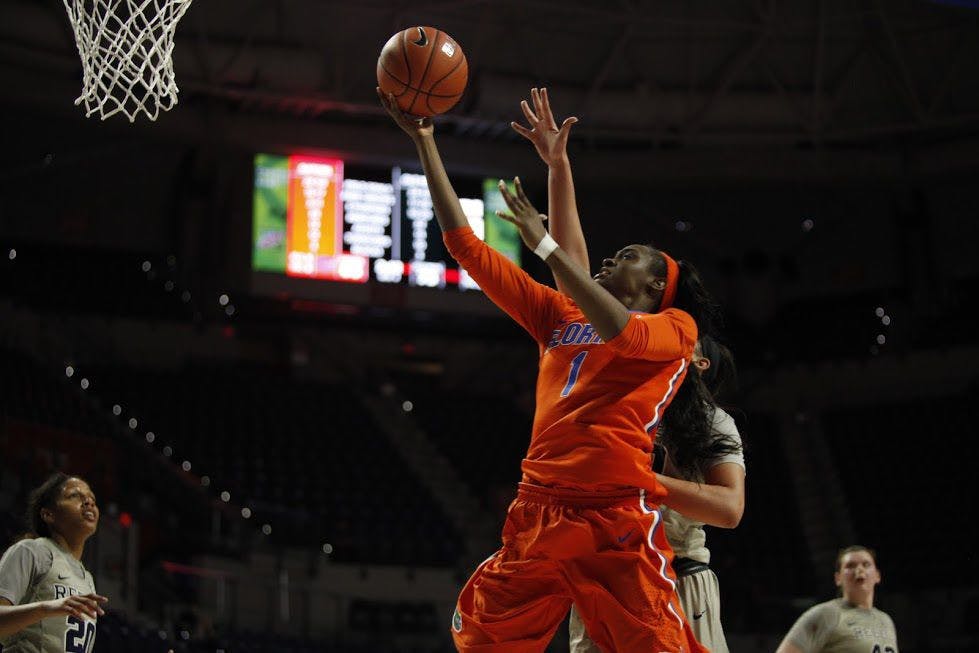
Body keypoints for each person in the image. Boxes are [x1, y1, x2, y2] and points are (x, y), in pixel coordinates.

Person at [379, 87, 717, 652]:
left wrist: (547, 246)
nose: (613, 258)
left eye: (629, 256)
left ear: (659, 285)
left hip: (613, 519)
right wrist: (426, 140)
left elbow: (621, 330)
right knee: (482, 644)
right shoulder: (558, 318)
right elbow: (464, 244)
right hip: (538, 511)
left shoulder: (675, 329)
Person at [509, 87, 746, 652]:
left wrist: (643, 483)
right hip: (603, 572)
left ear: (695, 359)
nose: (611, 262)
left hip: (677, 576)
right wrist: (559, 167)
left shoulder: (706, 419)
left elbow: (731, 509)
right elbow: (575, 278)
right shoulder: (611, 363)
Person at [0, 472, 107, 652]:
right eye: (74, 496)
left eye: (92, 499)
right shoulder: (32, 551)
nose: (89, 502)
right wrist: (46, 608)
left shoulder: (87, 578)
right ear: (48, 514)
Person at [776, 546, 898, 653]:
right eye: (850, 565)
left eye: (866, 565)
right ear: (838, 578)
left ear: (877, 576)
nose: (859, 570)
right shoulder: (826, 614)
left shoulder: (886, 620)